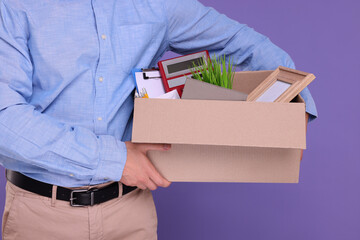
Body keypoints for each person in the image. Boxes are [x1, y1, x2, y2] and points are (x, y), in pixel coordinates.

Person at [0, 0, 317, 239]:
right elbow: (4, 120)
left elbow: (241, 44)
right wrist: (117, 159)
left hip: (130, 214)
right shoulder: (15, 5)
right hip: (40, 215)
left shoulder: (159, 3)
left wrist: (294, 107)